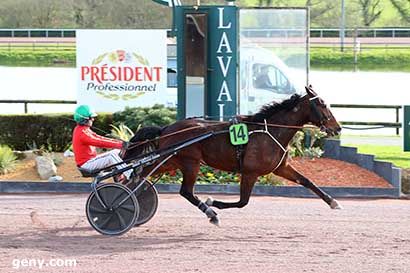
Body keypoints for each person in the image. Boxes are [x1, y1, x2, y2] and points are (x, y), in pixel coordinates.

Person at [72, 105, 132, 181]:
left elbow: (100, 138)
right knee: (111, 156)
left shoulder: (84, 129)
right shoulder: (81, 133)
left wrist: (121, 143)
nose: (93, 119)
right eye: (91, 117)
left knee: (117, 152)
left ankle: (118, 175)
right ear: (85, 119)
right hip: (86, 165)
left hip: (90, 161)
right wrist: (120, 145)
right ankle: (131, 174)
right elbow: (99, 142)